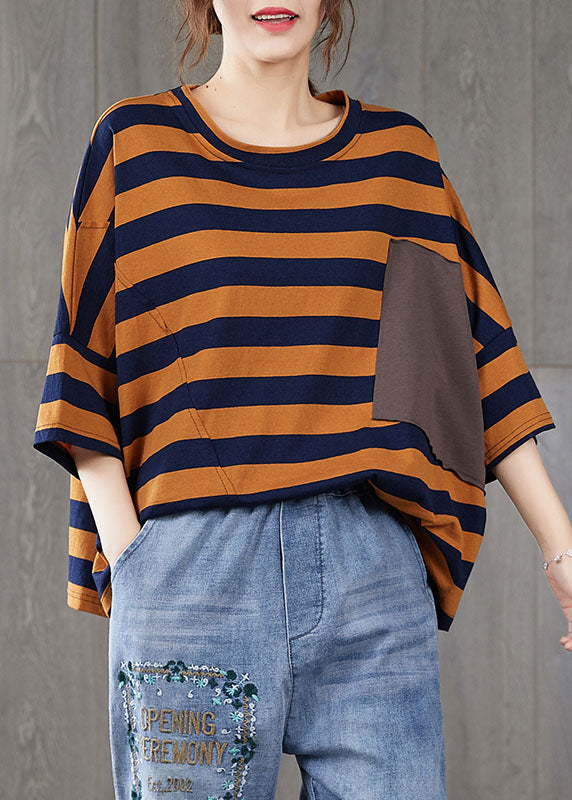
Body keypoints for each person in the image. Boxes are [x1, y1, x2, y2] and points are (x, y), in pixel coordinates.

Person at [32, 1, 572, 798]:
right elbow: (83, 374)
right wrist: (138, 562)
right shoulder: (135, 146)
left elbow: (476, 361)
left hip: (372, 576)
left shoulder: (399, 160)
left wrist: (562, 548)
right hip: (190, 571)